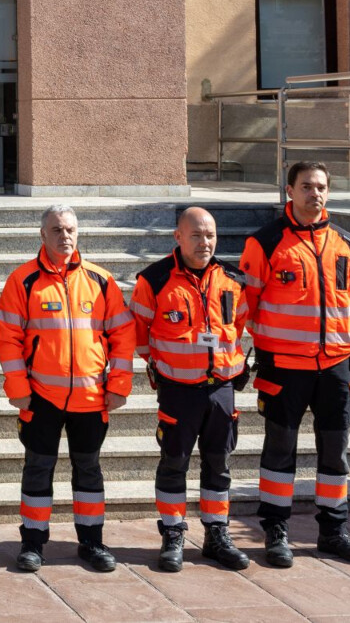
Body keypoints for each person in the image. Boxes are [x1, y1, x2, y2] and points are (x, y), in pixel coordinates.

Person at [239, 161, 350, 567]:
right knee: (280, 451)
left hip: (335, 365)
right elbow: (246, 306)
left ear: (328, 193)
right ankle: (275, 532)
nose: (314, 193)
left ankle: (333, 532)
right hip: (284, 366)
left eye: (320, 187)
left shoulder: (346, 243)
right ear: (290, 191)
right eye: (306, 187)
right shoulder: (264, 242)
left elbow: (349, 296)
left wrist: (348, 345)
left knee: (336, 452)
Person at [0, 205, 133, 574]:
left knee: (88, 470)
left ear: (78, 234)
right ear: (43, 236)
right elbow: (7, 340)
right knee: (38, 469)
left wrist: (118, 386)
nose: (64, 236)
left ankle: (91, 542)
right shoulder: (23, 280)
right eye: (56, 230)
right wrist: (18, 388)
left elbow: (122, 335)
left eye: (70, 229)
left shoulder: (101, 281)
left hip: (91, 397)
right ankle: (33, 543)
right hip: (40, 398)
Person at [130, 207, 251, 574]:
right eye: (196, 235)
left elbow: (240, 324)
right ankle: (172, 534)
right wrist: (169, 366)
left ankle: (217, 534)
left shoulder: (233, 278)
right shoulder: (153, 279)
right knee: (173, 464)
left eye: (210, 235)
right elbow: (139, 335)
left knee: (219, 464)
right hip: (179, 392)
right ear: (177, 237)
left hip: (221, 390)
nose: (205, 242)